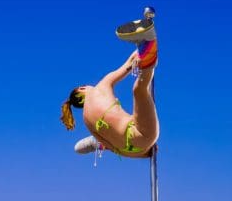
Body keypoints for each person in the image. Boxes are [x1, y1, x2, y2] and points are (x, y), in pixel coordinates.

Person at [59, 25, 158, 158]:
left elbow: (112, 146)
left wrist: (144, 153)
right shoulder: (99, 88)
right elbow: (127, 66)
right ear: (81, 89)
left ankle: (96, 144)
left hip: (131, 149)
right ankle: (149, 43)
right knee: (138, 90)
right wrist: (139, 52)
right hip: (139, 133)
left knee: (107, 143)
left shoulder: (86, 120)